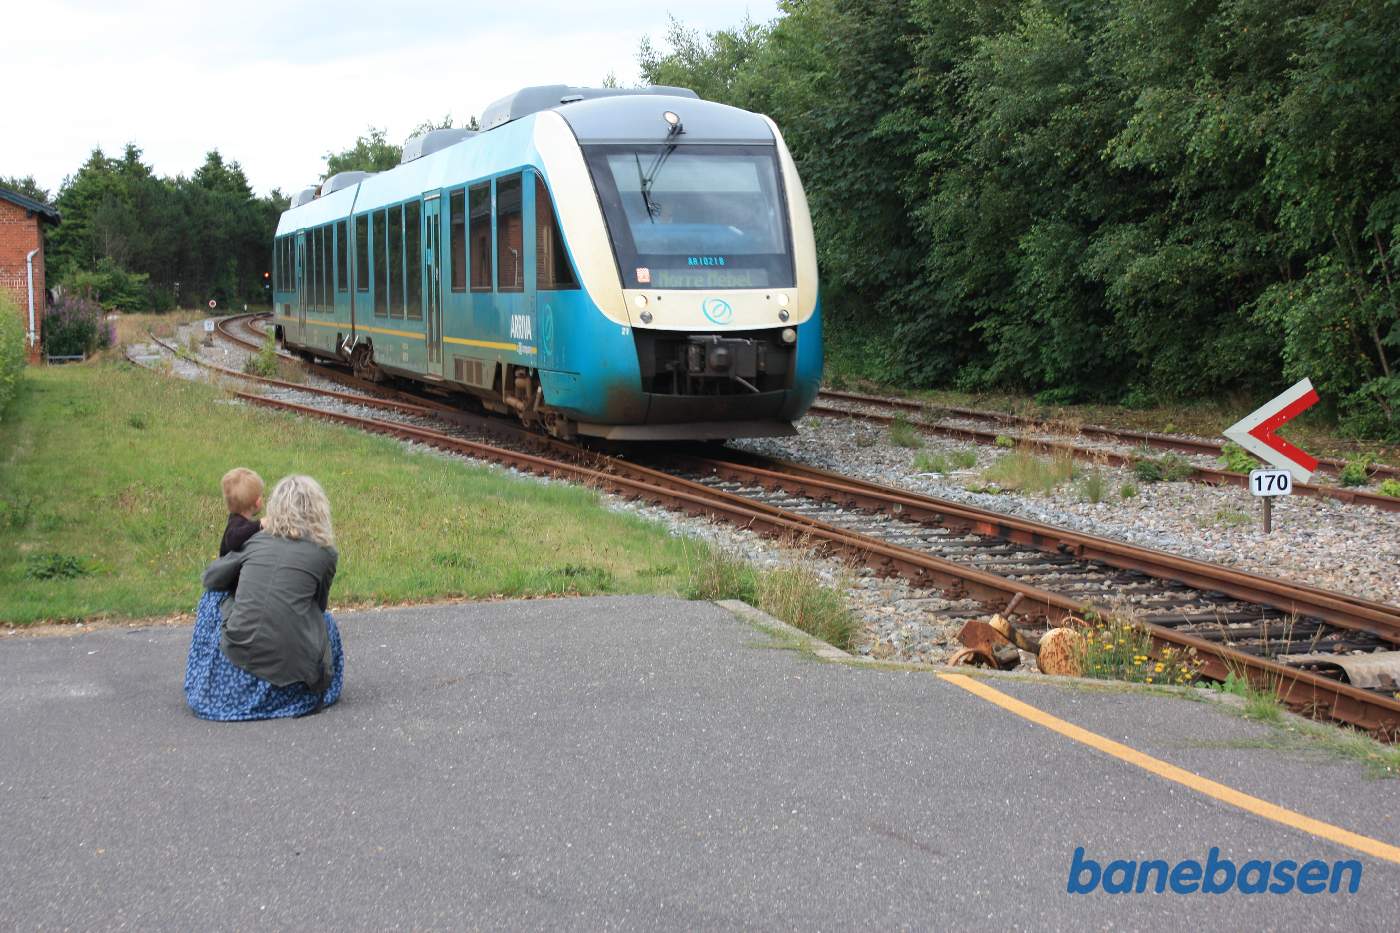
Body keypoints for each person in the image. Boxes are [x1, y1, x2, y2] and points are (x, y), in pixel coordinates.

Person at [184, 475, 345, 721]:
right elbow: (318, 605)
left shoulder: (256, 540)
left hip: (242, 656)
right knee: (326, 622)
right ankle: (310, 687)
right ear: (319, 510)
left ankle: (211, 675)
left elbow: (211, 578)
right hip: (294, 667)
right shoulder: (326, 553)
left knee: (213, 597)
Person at [219, 467, 263, 557]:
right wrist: (259, 524)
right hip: (229, 570)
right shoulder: (236, 524)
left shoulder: (237, 521)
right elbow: (234, 538)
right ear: (257, 502)